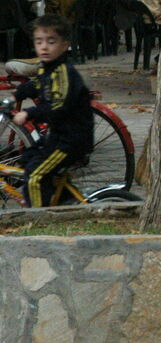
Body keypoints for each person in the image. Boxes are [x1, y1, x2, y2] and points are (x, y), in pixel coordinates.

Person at [14, 15, 94, 207]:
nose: (44, 47)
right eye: (39, 42)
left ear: (65, 45)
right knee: (27, 158)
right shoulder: (46, 68)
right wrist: (19, 93)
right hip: (57, 135)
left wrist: (29, 113)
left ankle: (38, 220)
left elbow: (58, 106)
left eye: (51, 42)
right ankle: (62, 199)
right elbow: (39, 85)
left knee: (35, 177)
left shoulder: (63, 72)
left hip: (70, 140)